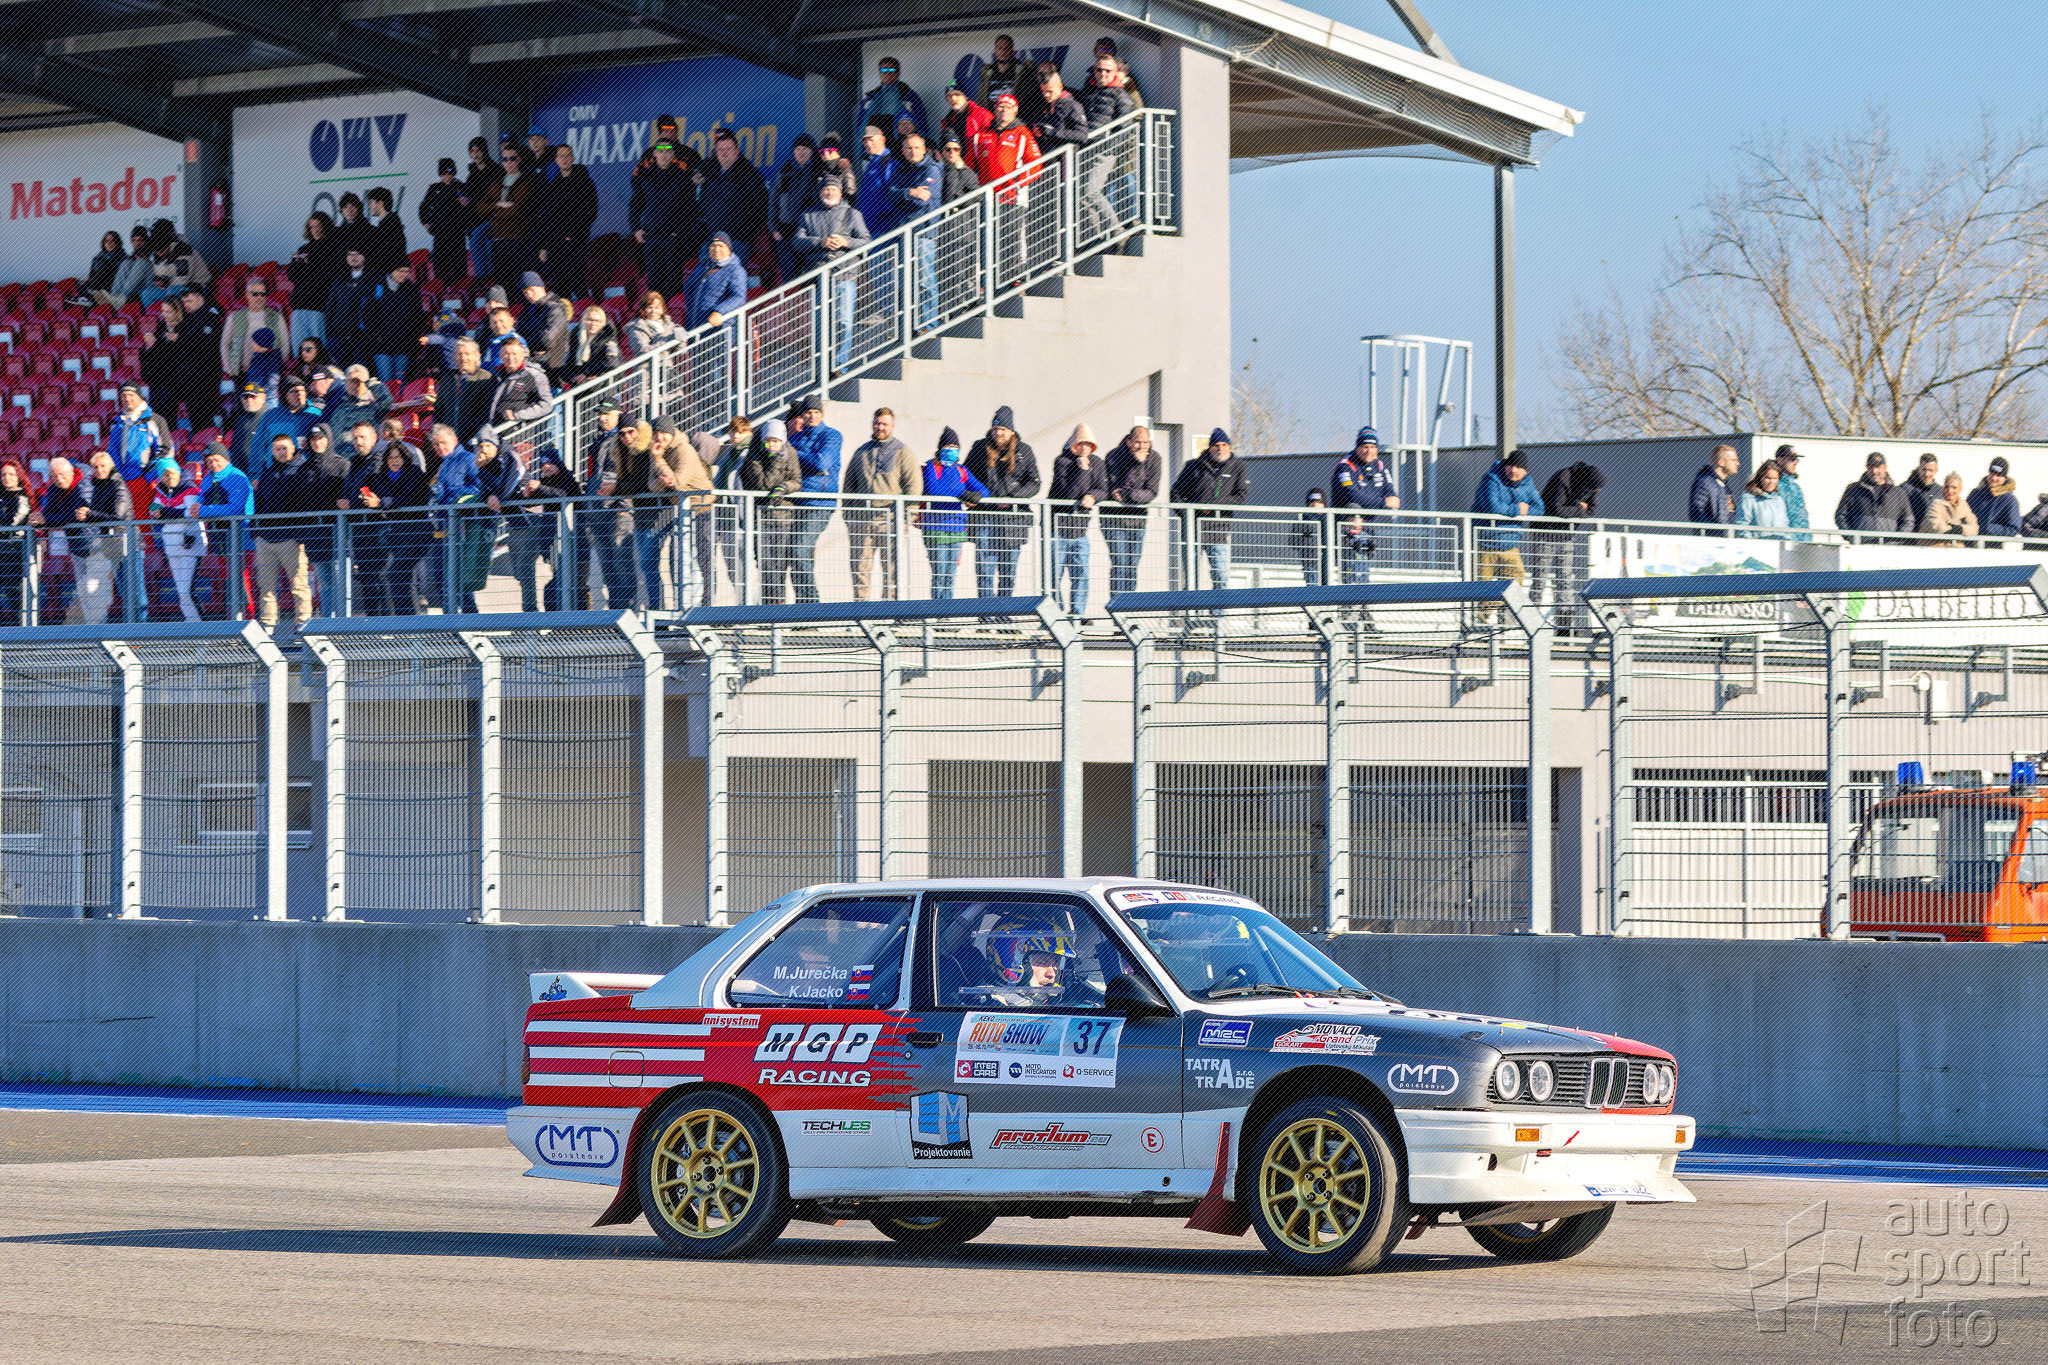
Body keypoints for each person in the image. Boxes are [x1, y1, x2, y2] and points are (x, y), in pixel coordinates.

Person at [435, 426, 523, 612]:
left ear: (454, 440)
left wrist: (454, 498)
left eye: (443, 442)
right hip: (445, 524)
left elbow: (479, 488)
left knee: (460, 575)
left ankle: (469, 618)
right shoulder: (444, 464)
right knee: (443, 575)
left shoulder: (468, 459)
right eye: (436, 444)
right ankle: (449, 619)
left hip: (463, 524)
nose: (439, 447)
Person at [353, 433, 434, 615]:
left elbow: (411, 499)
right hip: (396, 533)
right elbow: (377, 495)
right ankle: (404, 620)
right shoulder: (383, 475)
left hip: (415, 532)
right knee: (399, 576)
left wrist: (382, 502)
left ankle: (410, 619)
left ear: (405, 458)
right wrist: (372, 499)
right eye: (391, 458)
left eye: (398, 457)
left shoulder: (414, 473)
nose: (394, 461)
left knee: (396, 573)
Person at [794, 178, 869, 373]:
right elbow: (797, 242)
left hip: (845, 273)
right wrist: (821, 242)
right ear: (820, 192)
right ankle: (823, 365)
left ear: (841, 192)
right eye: (826, 189)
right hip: (817, 276)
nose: (829, 192)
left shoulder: (853, 214)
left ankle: (839, 365)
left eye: (833, 189)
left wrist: (846, 242)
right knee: (821, 322)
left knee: (843, 320)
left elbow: (866, 241)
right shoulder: (808, 215)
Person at [966, 405, 1039, 597]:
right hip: (985, 516)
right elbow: (965, 475)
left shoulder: (1024, 451)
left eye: (1003, 429)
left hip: (1013, 520)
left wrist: (1013, 499)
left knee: (1008, 570)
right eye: (995, 428)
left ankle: (1005, 611)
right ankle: (985, 611)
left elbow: (1034, 482)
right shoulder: (979, 448)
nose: (998, 433)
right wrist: (970, 496)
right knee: (985, 568)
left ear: (1011, 431)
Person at [841, 407, 912, 600]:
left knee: (892, 570)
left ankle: (891, 610)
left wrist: (906, 518)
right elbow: (849, 485)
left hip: (892, 521)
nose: (880, 427)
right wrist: (849, 516)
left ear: (892, 426)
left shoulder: (903, 451)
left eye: (884, 424)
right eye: (877, 423)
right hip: (863, 521)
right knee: (860, 568)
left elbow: (913, 486)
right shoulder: (861, 452)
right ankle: (861, 610)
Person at [972, 93, 1040, 282]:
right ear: (995, 109)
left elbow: (1035, 164)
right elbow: (971, 164)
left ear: (1015, 111)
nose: (1004, 110)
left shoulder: (1022, 133)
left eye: (1008, 107)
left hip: (1012, 197)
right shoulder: (981, 135)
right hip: (987, 198)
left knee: (1013, 239)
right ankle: (988, 280)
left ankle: (1016, 278)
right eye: (1000, 106)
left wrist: (1018, 184)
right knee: (987, 240)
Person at [1171, 428, 1249, 592]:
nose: (1220, 448)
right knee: (1191, 577)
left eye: (1223, 445)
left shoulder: (1237, 466)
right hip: (1192, 529)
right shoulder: (1193, 466)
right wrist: (1188, 514)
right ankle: (1191, 607)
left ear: (1229, 447)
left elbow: (1241, 496)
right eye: (1216, 445)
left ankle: (1218, 608)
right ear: (1209, 447)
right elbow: (1176, 493)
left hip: (1218, 530)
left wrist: (1215, 507)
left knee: (1220, 575)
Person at [505, 447, 582, 612]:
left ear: (558, 464)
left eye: (550, 463)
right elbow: (531, 500)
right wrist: (526, 495)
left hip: (573, 540)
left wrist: (540, 488)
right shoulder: (545, 482)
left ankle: (574, 617)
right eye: (542, 465)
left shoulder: (567, 479)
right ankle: (557, 619)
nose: (545, 467)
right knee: (556, 580)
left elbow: (563, 495)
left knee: (568, 583)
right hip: (552, 538)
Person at [1532, 459, 1604, 627]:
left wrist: (1577, 510)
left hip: (1567, 535)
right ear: (1586, 482)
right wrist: (1579, 508)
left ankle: (1564, 626)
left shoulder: (1594, 485)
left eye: (1596, 491)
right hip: (1546, 532)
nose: (1593, 493)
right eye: (1591, 490)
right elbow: (1558, 509)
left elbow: (1590, 511)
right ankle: (1532, 622)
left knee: (1565, 579)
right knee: (1540, 579)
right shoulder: (1564, 477)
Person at [739, 418, 803, 604]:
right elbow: (764, 483)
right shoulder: (754, 455)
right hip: (760, 516)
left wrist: (784, 487)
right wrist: (776, 460)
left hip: (783, 516)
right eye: (768, 441)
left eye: (776, 441)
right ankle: (770, 602)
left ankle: (777, 603)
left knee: (779, 562)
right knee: (764, 560)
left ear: (783, 440)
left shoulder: (790, 453)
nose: (772, 445)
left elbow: (797, 480)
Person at [919, 427, 988, 599]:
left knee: (950, 576)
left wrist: (977, 495)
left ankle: (948, 611)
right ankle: (937, 609)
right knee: (939, 574)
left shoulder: (961, 470)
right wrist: (962, 493)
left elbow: (983, 489)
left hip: (957, 527)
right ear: (940, 448)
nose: (952, 450)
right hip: (935, 527)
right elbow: (934, 490)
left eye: (956, 448)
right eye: (948, 446)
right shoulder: (931, 467)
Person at [786, 396, 842, 604]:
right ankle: (802, 604)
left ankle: (812, 603)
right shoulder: (795, 438)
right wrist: (804, 459)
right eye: (808, 412)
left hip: (820, 502)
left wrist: (795, 455)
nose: (812, 416)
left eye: (816, 412)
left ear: (822, 414)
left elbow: (821, 462)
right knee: (794, 554)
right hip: (796, 502)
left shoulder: (832, 436)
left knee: (799, 550)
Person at [1048, 423, 1107, 615]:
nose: (1084, 448)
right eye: (1080, 443)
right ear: (1073, 444)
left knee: (1081, 575)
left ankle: (1077, 614)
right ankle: (1055, 614)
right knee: (1054, 575)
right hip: (1058, 528)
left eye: (1088, 444)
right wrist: (1083, 469)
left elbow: (1103, 488)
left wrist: (1092, 496)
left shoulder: (1097, 463)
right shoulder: (1062, 462)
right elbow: (1069, 493)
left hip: (1080, 529)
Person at [631, 139, 700, 303]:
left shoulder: (683, 176)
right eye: (660, 151)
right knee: (654, 284)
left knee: (673, 283)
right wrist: (636, 228)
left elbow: (690, 208)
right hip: (651, 236)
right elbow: (635, 203)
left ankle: (673, 316)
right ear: (654, 154)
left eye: (668, 151)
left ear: (673, 154)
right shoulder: (644, 175)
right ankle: (657, 317)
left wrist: (679, 231)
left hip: (673, 238)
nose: (664, 155)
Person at [1329, 427, 1398, 585]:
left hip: (1369, 528)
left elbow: (1394, 499)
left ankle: (1362, 601)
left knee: (1364, 576)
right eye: (1365, 446)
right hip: (1347, 530)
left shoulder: (1380, 466)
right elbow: (1352, 496)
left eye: (1373, 447)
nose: (1369, 451)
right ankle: (1348, 601)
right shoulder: (1345, 466)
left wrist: (1373, 502)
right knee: (1352, 577)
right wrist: (1382, 502)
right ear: (1357, 447)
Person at [75, 450, 137, 624]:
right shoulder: (98, 486)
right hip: (110, 544)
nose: (99, 470)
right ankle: (130, 630)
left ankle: (139, 631)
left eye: (103, 466)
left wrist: (89, 514)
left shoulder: (118, 485)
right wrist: (85, 513)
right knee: (124, 590)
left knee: (134, 591)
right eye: (95, 467)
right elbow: (95, 514)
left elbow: (118, 515)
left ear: (111, 466)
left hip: (126, 542)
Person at [1469, 449, 1542, 592]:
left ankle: (1503, 606)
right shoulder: (1491, 479)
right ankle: (1485, 607)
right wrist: (1518, 510)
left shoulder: (1527, 484)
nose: (1513, 470)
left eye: (1518, 467)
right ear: (1505, 466)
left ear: (1525, 471)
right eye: (1510, 466)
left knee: (1515, 584)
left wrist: (1526, 510)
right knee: (1482, 591)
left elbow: (1539, 509)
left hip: (1510, 545)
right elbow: (1493, 507)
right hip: (1486, 544)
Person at [1101, 424, 1160, 597]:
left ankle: (1129, 606)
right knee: (1120, 563)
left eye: (1146, 442)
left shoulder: (1155, 458)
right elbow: (1114, 487)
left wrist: (1128, 495)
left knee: (1132, 566)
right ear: (1129, 441)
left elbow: (1151, 492)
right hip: (1113, 519)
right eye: (1138, 442)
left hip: (1138, 520)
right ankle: (1116, 606)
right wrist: (1135, 463)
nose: (1142, 446)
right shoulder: (1113, 456)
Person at [892, 132, 943, 332]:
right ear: (903, 151)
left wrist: (904, 196)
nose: (913, 151)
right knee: (907, 281)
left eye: (916, 148)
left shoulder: (932, 169)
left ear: (924, 149)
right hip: (904, 232)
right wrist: (910, 192)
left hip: (923, 232)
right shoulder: (900, 169)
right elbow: (890, 195)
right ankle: (910, 326)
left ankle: (929, 324)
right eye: (908, 148)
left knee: (924, 279)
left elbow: (922, 202)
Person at [535, 145, 598, 301]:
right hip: (555, 243)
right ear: (556, 160)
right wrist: (544, 245)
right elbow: (548, 217)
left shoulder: (585, 182)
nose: (564, 159)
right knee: (559, 286)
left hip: (575, 242)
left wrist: (575, 234)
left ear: (573, 158)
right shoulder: (554, 185)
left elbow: (590, 212)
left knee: (576, 282)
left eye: (567, 155)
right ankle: (564, 316)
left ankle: (589, 313)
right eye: (561, 156)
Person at [697, 129, 769, 264]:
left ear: (737, 151)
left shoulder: (750, 174)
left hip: (737, 242)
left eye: (728, 149)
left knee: (730, 277)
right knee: (705, 276)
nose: (724, 153)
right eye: (720, 149)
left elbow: (762, 208)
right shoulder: (711, 176)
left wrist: (745, 233)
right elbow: (702, 206)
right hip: (711, 241)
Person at [148, 456, 204, 621]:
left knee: (187, 589)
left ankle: (200, 623)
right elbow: (154, 510)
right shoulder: (160, 491)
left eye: (172, 473)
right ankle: (190, 620)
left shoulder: (189, 488)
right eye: (165, 475)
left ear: (178, 472)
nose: (169, 477)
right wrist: (160, 512)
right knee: (180, 590)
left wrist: (166, 512)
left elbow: (191, 513)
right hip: (171, 545)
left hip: (189, 543)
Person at [38, 457, 91, 622]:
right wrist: (40, 518)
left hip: (95, 544)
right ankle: (92, 630)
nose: (59, 479)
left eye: (62, 475)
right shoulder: (54, 488)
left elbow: (77, 515)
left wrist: (47, 519)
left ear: (72, 472)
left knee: (94, 591)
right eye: (54, 476)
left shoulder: (84, 485)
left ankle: (104, 630)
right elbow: (48, 514)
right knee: (84, 591)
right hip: (77, 545)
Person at [489, 144, 540, 294]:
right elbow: (479, 207)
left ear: (519, 159)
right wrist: (498, 205)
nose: (508, 162)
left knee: (518, 283)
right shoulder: (497, 181)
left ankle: (520, 308)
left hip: (517, 237)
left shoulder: (526, 180)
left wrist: (495, 211)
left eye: (512, 158)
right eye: (505, 159)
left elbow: (518, 210)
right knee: (501, 285)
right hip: (498, 237)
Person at [221, 276, 289, 389]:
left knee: (268, 400)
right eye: (255, 294)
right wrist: (228, 367)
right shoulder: (234, 316)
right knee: (243, 400)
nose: (259, 297)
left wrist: (278, 365)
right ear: (247, 295)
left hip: (268, 374)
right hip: (241, 373)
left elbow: (285, 343)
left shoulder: (276, 316)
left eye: (263, 294)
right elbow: (224, 343)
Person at [363, 261, 424, 383]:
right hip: (381, 344)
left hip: (403, 344)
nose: (404, 275)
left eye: (407, 271)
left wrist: (413, 336)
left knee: (400, 382)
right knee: (386, 380)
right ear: (392, 271)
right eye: (401, 271)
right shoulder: (377, 286)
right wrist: (375, 334)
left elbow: (418, 316)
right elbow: (367, 313)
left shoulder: (411, 289)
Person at [285, 212, 341, 345]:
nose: (315, 230)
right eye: (312, 227)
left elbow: (330, 275)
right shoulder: (303, 249)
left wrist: (312, 261)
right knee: (299, 348)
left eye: (318, 226)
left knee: (319, 349)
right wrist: (297, 263)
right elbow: (292, 276)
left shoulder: (334, 249)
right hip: (300, 304)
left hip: (319, 306)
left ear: (326, 227)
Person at [769, 136, 817, 285]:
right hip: (785, 231)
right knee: (789, 276)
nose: (801, 153)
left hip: (808, 232)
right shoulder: (785, 172)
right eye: (798, 149)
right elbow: (773, 201)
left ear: (812, 151)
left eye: (805, 149)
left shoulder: (816, 171)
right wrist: (773, 228)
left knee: (808, 275)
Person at [323, 245, 378, 368]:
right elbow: (330, 308)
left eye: (357, 254)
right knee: (338, 372)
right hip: (338, 336)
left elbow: (378, 308)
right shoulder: (339, 279)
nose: (353, 257)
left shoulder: (374, 279)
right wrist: (330, 335)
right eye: (349, 254)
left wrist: (372, 333)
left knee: (360, 373)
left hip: (362, 338)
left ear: (364, 256)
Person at [1837, 452, 1916, 537]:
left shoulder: (1898, 493)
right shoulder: (1853, 490)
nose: (1874, 471)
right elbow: (1841, 516)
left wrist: (1896, 540)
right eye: (1871, 467)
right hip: (1860, 544)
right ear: (1867, 468)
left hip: (1888, 545)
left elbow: (1908, 521)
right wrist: (1852, 537)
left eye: (1878, 467)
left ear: (1885, 468)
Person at [433, 338, 495, 446]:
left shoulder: (486, 378)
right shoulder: (448, 378)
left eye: (467, 354)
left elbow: (487, 411)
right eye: (459, 354)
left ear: (476, 356)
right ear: (454, 357)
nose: (463, 358)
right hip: (449, 441)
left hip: (473, 439)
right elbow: (439, 409)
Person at [419, 158, 470, 284]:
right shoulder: (434, 188)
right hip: (440, 233)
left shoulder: (461, 187)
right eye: (444, 174)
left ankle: (459, 292)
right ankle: (442, 292)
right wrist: (426, 223)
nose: (447, 177)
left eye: (450, 174)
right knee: (440, 269)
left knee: (459, 268)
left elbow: (470, 208)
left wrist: (467, 204)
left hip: (457, 233)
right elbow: (423, 207)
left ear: (454, 173)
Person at [486, 336, 553, 431]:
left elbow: (546, 405)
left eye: (514, 354)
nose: (510, 358)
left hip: (520, 433)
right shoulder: (494, 374)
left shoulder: (534, 375)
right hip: (495, 431)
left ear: (522, 355)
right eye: (506, 353)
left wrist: (517, 415)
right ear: (501, 355)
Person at [108, 381, 170, 481]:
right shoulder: (116, 422)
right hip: (121, 480)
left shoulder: (155, 420)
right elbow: (112, 450)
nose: (127, 399)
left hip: (145, 480)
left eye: (131, 395)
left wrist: (148, 477)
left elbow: (165, 451)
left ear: (140, 396)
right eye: (123, 396)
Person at [685, 232, 748, 330]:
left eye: (721, 246)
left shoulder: (736, 270)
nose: (716, 249)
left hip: (720, 327)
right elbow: (689, 286)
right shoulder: (702, 267)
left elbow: (738, 297)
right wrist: (692, 308)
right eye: (713, 246)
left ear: (729, 249)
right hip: (695, 323)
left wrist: (719, 311)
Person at [515, 270, 573, 377]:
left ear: (541, 287)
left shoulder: (555, 308)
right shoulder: (526, 311)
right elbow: (518, 336)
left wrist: (525, 342)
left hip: (554, 366)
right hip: (536, 361)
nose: (529, 295)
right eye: (525, 292)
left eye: (531, 290)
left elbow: (546, 340)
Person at [855, 55, 928, 139]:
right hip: (875, 142)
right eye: (883, 70)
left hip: (900, 143)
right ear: (879, 73)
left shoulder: (909, 96)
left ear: (898, 73)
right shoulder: (869, 98)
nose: (887, 73)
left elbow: (922, 123)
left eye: (891, 70)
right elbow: (860, 125)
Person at [461, 137, 502, 282]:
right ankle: (484, 283)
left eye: (478, 151)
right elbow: (468, 201)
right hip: (475, 221)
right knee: (476, 238)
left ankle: (485, 280)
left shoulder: (496, 171)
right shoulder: (471, 176)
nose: (475, 154)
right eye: (472, 151)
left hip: (493, 219)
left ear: (484, 151)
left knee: (482, 242)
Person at [1, 459, 35, 624]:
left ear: (18, 476)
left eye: (11, 474)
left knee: (13, 587)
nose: (7, 478)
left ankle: (20, 624)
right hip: (3, 546)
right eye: (4, 475)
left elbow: (14, 522)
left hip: (14, 548)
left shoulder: (22, 497)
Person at [324, 365, 393, 441]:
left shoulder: (375, 401)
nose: (355, 385)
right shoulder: (338, 400)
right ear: (345, 382)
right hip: (345, 443)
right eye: (351, 381)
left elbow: (388, 401)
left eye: (358, 381)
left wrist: (375, 386)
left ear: (366, 382)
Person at [562, 304, 623, 387]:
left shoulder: (609, 340)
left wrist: (586, 373)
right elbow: (570, 363)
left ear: (602, 323)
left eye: (597, 321)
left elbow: (612, 363)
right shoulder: (576, 338)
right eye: (589, 320)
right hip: (580, 385)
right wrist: (573, 377)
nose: (593, 323)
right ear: (583, 321)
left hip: (603, 386)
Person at [856, 126, 900, 238]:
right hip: (868, 226)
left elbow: (893, 192)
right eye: (865, 141)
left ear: (882, 139)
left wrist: (882, 213)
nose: (868, 144)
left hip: (882, 226)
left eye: (871, 140)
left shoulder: (888, 162)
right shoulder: (872, 162)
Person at [95, 225, 155, 307]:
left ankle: (120, 299)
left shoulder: (153, 253)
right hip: (133, 290)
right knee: (126, 262)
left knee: (141, 262)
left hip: (148, 288)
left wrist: (147, 260)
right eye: (134, 240)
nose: (137, 243)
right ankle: (114, 296)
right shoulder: (131, 256)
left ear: (146, 241)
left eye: (140, 240)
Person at [1968, 457, 2023, 541]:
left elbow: (2014, 528)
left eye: (1998, 475)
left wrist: (1988, 528)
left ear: (2005, 478)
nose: (1994, 478)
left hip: (1992, 545)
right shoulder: (1975, 494)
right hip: (1969, 542)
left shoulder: (2010, 500)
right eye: (1992, 473)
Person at [1918, 472, 1978, 547]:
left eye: (1954, 487)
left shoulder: (1964, 506)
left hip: (1956, 549)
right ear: (1943, 488)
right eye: (1947, 487)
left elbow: (1974, 528)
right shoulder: (1935, 503)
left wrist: (1961, 529)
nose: (1950, 491)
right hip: (1934, 548)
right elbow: (1935, 526)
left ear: (1960, 489)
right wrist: (1954, 530)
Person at [1688, 445, 1738, 529]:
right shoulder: (1705, 482)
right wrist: (1713, 532)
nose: (1737, 463)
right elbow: (1696, 513)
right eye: (1733, 460)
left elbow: (1730, 514)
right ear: (1721, 462)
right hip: (1714, 537)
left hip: (1727, 536)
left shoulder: (1724, 486)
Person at [1735, 461, 1790, 536]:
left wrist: (1787, 540)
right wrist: (1751, 542)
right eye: (1768, 478)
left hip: (1779, 543)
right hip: (1758, 543)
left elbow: (1785, 526)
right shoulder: (1749, 499)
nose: (1771, 482)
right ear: (1760, 478)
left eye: (1774, 478)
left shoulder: (1779, 500)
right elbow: (1742, 526)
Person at [363, 187, 408, 276]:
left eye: (371, 202)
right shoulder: (392, 223)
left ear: (380, 203)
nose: (369, 206)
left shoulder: (389, 227)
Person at [77, 230, 128, 307]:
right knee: (79, 283)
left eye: (112, 241)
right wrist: (87, 281)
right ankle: (89, 297)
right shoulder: (97, 257)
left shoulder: (124, 258)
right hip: (98, 286)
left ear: (117, 242)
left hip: (113, 286)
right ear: (103, 243)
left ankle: (89, 295)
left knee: (104, 264)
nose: (109, 243)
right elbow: (92, 275)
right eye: (107, 241)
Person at [623, 288, 678, 357]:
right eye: (650, 307)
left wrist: (680, 340)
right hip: (648, 364)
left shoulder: (668, 324)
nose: (653, 311)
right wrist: (666, 342)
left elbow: (681, 350)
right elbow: (642, 351)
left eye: (657, 308)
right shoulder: (636, 327)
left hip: (667, 363)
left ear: (662, 310)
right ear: (643, 310)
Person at [978, 35, 1027, 111]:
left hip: (1014, 117)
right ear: (995, 51)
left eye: (1007, 48)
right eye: (1000, 48)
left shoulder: (1022, 71)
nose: (1003, 51)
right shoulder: (987, 72)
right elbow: (981, 100)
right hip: (990, 117)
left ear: (1012, 51)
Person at [1291, 490, 1329, 586]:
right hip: (1310, 561)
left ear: (1324, 504)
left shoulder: (1329, 518)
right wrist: (1305, 538)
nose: (1315, 505)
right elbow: (1293, 542)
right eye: (1312, 502)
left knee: (1328, 585)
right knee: (1313, 586)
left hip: (1328, 560)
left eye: (1319, 502)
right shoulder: (1302, 519)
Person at [1773, 444, 1811, 539]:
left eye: (1797, 459)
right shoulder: (1773, 485)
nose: (1795, 462)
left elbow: (1802, 517)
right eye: (1792, 459)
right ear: (1780, 460)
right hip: (1782, 540)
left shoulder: (1795, 487)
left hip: (1801, 540)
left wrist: (1807, 538)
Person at [941, 82, 992, 153]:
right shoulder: (948, 119)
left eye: (957, 94)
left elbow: (992, 140)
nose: (953, 98)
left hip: (977, 156)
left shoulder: (982, 114)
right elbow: (949, 142)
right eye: (949, 95)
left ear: (965, 96)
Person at [1903, 453, 1943, 528]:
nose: (1926, 474)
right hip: (1909, 534)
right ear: (1919, 469)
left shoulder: (1941, 492)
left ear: (1936, 470)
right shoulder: (1905, 489)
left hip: (1931, 534)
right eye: (1924, 469)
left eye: (1930, 470)